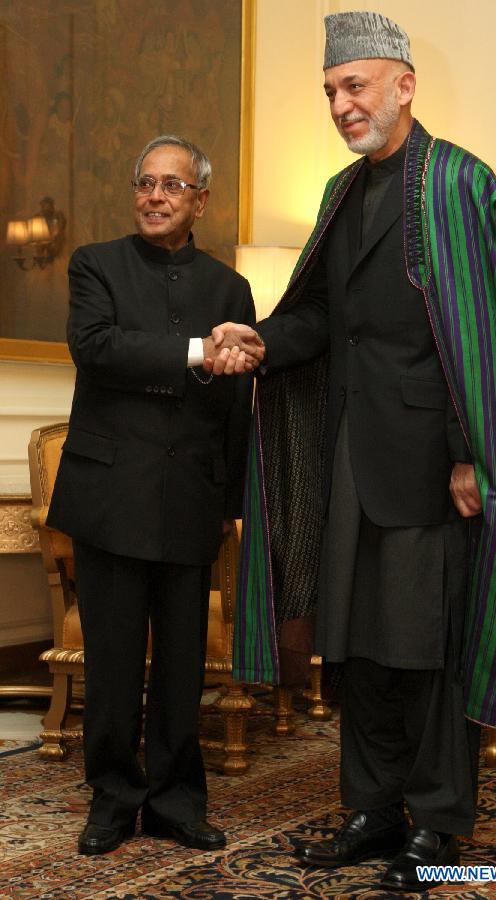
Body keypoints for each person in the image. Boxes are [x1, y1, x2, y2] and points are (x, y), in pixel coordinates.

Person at [206, 11, 496, 892]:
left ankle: (436, 823)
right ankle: (370, 810)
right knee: (355, 646)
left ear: (402, 84)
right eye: (329, 91)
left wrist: (474, 456)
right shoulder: (340, 194)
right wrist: (266, 341)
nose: (341, 105)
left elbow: (494, 329)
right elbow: (324, 316)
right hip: (350, 461)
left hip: (434, 465)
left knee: (424, 647)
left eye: (353, 85)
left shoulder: (459, 183)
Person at [47, 134, 262, 855]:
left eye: (172, 185)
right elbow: (98, 348)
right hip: (111, 499)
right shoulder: (95, 266)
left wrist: (231, 497)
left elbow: (237, 405)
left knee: (181, 666)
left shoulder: (230, 289)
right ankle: (112, 799)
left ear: (200, 198)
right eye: (145, 183)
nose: (155, 196)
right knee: (111, 663)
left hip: (190, 498)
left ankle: (176, 800)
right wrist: (199, 350)